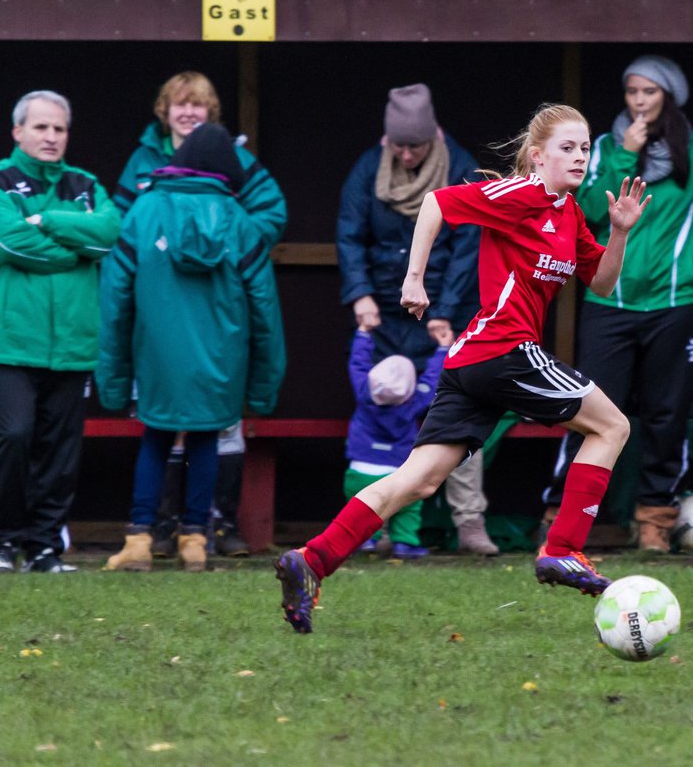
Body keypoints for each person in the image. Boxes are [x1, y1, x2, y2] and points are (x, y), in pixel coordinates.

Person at [274, 104, 649, 634]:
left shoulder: (567, 214)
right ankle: (562, 549)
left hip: (478, 363)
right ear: (538, 157)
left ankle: (310, 560)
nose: (580, 157)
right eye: (567, 147)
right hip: (503, 350)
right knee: (613, 426)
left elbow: (604, 284)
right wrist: (414, 278)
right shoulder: (523, 193)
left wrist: (619, 232)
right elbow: (435, 203)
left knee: (417, 480)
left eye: (585, 147)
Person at [545, 55, 693, 551]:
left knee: (666, 414)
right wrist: (622, 157)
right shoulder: (603, 150)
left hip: (677, 303)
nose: (639, 101)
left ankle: (655, 518)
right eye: (632, 92)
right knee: (590, 410)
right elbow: (587, 210)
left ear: (668, 96)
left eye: (649, 92)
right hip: (611, 302)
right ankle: (565, 520)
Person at [97, 123, 286, 572]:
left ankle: (140, 540)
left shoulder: (143, 212)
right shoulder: (240, 223)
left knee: (156, 436)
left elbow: (114, 300)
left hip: (156, 355)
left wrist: (113, 378)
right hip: (222, 359)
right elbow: (265, 309)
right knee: (206, 438)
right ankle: (195, 541)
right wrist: (263, 387)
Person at [337, 83, 497, 555]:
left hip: (444, 309)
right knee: (381, 409)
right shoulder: (368, 167)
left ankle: (468, 520)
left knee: (460, 411)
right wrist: (360, 294)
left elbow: (468, 246)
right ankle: (379, 525)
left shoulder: (463, 168)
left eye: (415, 146)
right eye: (398, 145)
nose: (406, 155)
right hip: (384, 313)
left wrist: (443, 312)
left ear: (433, 138)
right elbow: (350, 235)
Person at [0, 90, 121, 573]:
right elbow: (12, 244)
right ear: (18, 132)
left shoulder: (86, 184)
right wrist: (73, 249)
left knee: (60, 450)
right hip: (11, 341)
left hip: (72, 344)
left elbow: (108, 235)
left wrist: (50, 219)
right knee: (13, 436)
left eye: (59, 129)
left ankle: (44, 549)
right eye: (40, 127)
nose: (51, 137)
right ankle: (3, 544)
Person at [343, 325, 454, 559]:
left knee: (364, 506)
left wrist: (363, 332)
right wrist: (443, 348)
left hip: (359, 469)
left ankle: (365, 540)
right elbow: (433, 379)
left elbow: (358, 363)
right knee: (407, 507)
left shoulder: (364, 391)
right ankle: (405, 542)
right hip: (398, 470)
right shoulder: (415, 401)